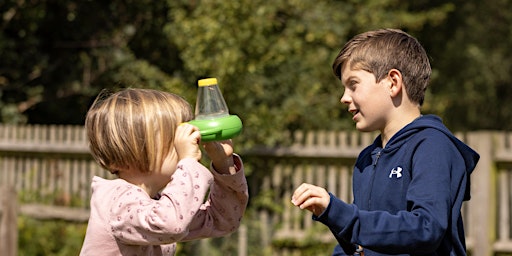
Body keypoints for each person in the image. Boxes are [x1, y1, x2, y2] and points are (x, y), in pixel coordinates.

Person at [291, 28, 480, 255]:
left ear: (392, 82)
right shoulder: (366, 159)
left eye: (353, 84)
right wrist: (331, 217)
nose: (344, 97)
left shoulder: (432, 146)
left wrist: (341, 214)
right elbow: (363, 245)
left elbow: (426, 228)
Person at [80, 88, 249, 255]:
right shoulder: (116, 203)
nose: (184, 142)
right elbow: (171, 224)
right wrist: (188, 162)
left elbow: (222, 220)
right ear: (132, 151)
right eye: (173, 137)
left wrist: (224, 163)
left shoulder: (160, 205)